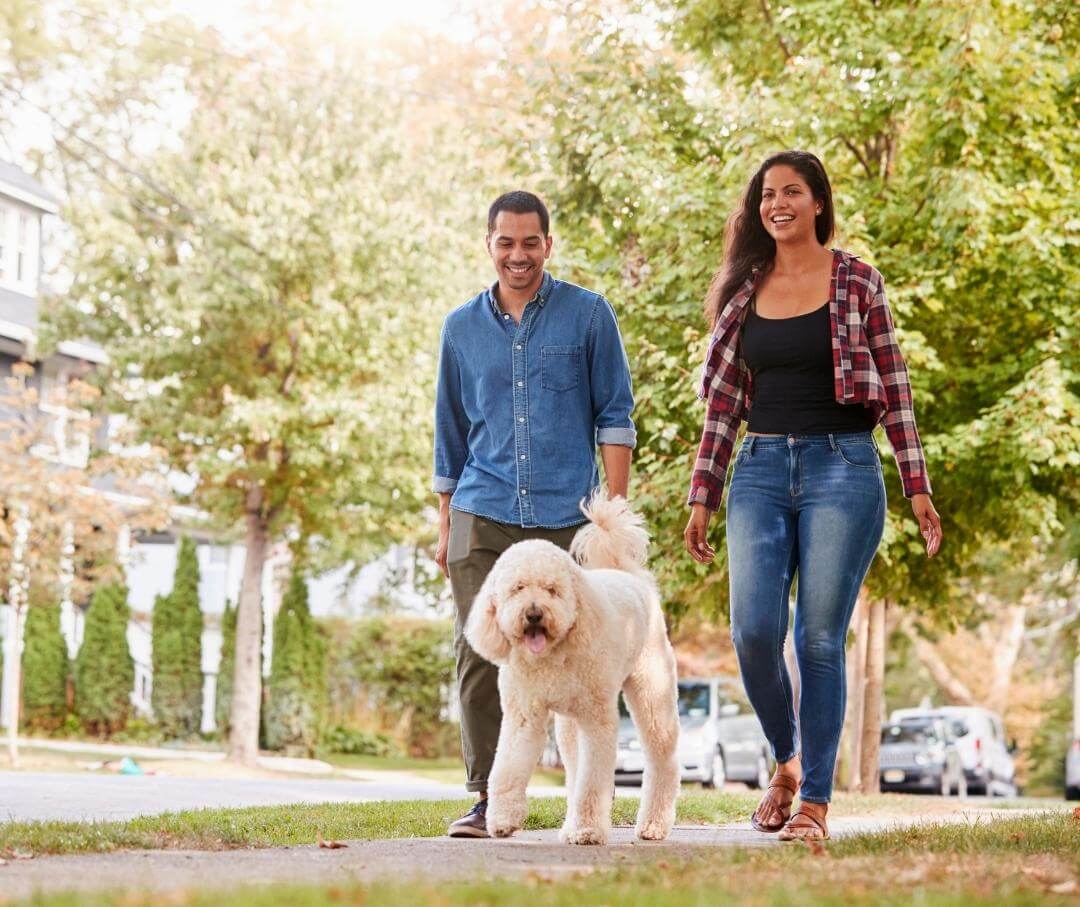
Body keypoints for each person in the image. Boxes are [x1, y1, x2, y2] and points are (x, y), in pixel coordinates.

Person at [683, 151, 942, 842]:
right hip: (760, 469)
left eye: (792, 191)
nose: (778, 203)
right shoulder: (745, 290)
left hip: (842, 469)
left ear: (819, 203)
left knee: (818, 638)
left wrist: (917, 486)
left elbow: (896, 387)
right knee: (753, 631)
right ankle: (787, 761)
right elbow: (723, 406)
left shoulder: (858, 280)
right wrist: (702, 492)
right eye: (768, 194)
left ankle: (815, 805)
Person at [433, 190, 637, 838]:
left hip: (564, 514)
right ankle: (488, 797)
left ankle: (586, 796)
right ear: (489, 244)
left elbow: (615, 415)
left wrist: (612, 512)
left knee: (582, 652)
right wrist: (444, 526)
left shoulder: (588, 315)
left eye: (529, 242)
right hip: (480, 506)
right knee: (480, 652)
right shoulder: (460, 328)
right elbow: (449, 433)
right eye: (504, 242)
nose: (516, 255)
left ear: (548, 244)